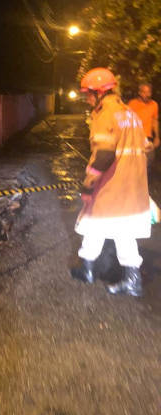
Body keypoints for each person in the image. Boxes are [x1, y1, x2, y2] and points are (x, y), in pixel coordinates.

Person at [73, 68, 151, 296]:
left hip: (111, 184)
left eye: (88, 93)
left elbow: (105, 154)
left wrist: (88, 185)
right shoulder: (130, 113)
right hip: (132, 186)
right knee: (112, 228)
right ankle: (125, 279)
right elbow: (146, 147)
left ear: (99, 93)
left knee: (97, 222)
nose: (87, 98)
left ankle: (93, 271)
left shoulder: (105, 115)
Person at [128, 83, 159, 169]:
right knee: (134, 161)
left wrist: (157, 137)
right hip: (134, 137)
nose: (147, 95)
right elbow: (127, 120)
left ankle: (143, 180)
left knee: (149, 159)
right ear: (140, 93)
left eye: (149, 92)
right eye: (144, 92)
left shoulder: (154, 104)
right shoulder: (132, 104)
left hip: (148, 138)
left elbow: (155, 121)